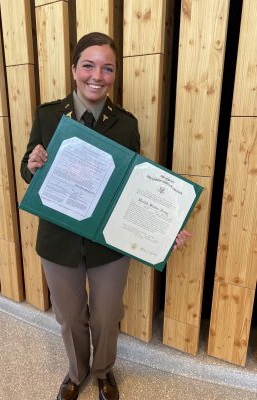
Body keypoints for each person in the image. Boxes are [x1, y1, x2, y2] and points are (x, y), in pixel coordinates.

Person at [21, 32, 191, 400]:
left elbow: (138, 187)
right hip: (58, 240)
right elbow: (28, 165)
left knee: (105, 317)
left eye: (107, 68)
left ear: (114, 74)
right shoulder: (48, 115)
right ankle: (75, 372)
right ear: (74, 69)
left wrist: (166, 229)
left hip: (109, 243)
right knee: (69, 317)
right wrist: (32, 165)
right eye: (88, 65)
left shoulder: (126, 124)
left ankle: (102, 372)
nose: (97, 75)